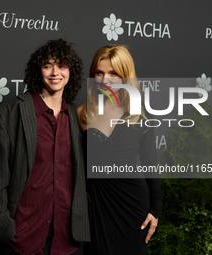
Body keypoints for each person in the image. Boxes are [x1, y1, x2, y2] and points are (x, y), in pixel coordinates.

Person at [0, 39, 90, 255]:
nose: (55, 72)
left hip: (68, 239)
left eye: (62, 65)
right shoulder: (8, 115)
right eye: (48, 65)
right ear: (38, 71)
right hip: (22, 238)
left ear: (71, 71)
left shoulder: (79, 117)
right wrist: (5, 230)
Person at [77, 45, 162, 255]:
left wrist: (155, 210)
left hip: (133, 207)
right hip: (97, 207)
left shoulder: (138, 116)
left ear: (126, 77)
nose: (105, 79)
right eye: (99, 72)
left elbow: (151, 164)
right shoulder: (81, 114)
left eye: (113, 73)